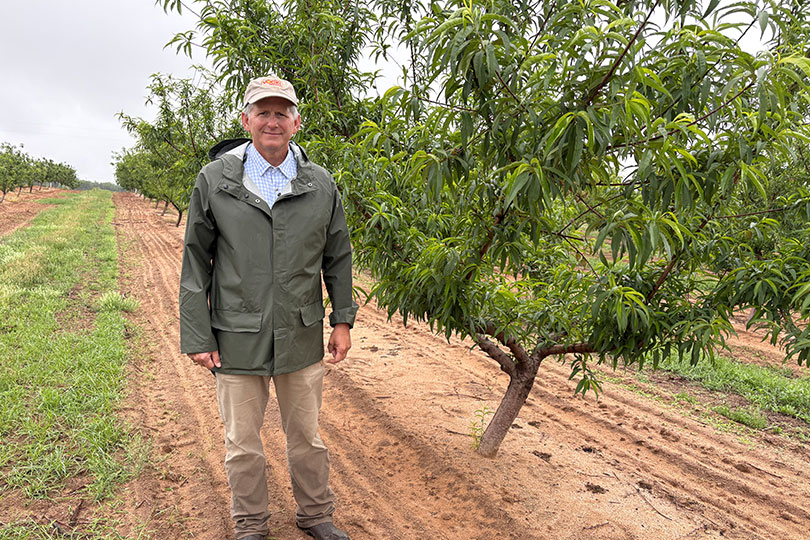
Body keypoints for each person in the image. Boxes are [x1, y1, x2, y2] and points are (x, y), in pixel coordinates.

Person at [179, 75, 358, 540]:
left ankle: (316, 515)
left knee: (307, 438)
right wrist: (198, 335)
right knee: (243, 443)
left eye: (282, 113)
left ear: (297, 122)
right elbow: (196, 260)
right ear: (246, 120)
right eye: (263, 112)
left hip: (300, 334)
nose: (272, 121)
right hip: (237, 334)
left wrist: (342, 319)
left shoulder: (320, 184)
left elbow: (337, 255)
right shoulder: (216, 180)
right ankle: (250, 523)